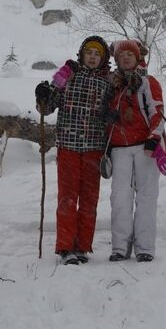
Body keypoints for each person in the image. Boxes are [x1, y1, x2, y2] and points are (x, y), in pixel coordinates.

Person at [35, 35, 113, 266]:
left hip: (94, 148)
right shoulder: (69, 76)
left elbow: (113, 111)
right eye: (89, 52)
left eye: (97, 54)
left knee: (89, 199)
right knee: (68, 198)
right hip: (68, 146)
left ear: (103, 58)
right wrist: (42, 95)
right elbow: (46, 109)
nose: (92, 57)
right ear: (82, 54)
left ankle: (82, 246)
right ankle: (66, 247)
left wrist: (111, 117)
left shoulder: (107, 82)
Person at [106, 39, 166, 263]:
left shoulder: (148, 82)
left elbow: (158, 112)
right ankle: (120, 247)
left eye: (130, 54)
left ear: (137, 58)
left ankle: (145, 247)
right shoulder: (111, 84)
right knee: (120, 198)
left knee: (146, 197)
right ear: (116, 60)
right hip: (119, 149)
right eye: (121, 55)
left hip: (146, 148)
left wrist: (154, 138)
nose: (125, 57)